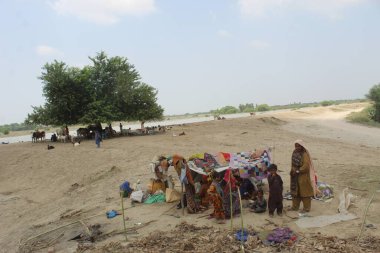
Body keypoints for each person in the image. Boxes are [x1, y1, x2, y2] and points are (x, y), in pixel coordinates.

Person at [290, 140, 316, 212]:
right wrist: (292, 170)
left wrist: (298, 171)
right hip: (295, 176)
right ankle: (295, 207)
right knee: (295, 192)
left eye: (298, 146)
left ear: (302, 146)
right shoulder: (294, 152)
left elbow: (306, 166)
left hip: (303, 177)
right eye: (296, 146)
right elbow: (292, 163)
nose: (297, 147)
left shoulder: (305, 154)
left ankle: (306, 208)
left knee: (305, 193)